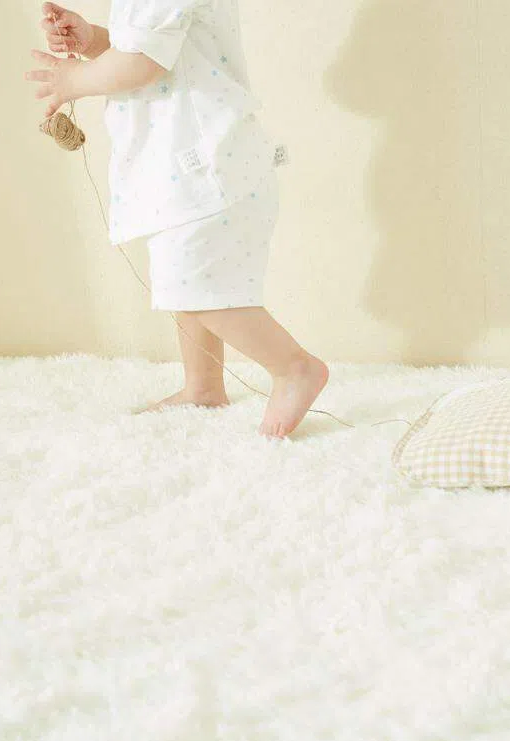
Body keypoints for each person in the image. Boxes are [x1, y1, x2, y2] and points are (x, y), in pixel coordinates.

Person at [27, 0, 328, 438]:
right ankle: (203, 386)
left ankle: (294, 367)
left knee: (195, 284)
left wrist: (74, 80)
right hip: (190, 168)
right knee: (186, 286)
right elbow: (147, 46)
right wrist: (94, 41)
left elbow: (141, 62)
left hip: (205, 167)